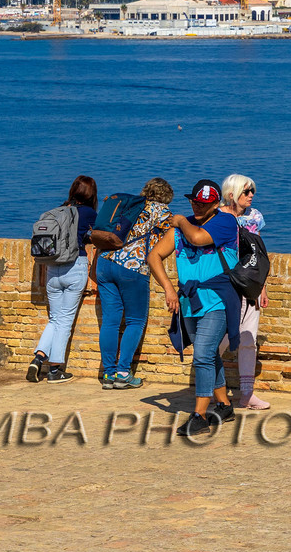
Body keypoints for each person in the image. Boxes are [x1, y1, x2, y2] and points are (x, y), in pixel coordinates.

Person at [150, 180, 239, 437]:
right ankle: (224, 405)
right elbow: (154, 256)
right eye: (195, 202)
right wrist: (168, 288)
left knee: (202, 354)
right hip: (189, 302)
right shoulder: (182, 227)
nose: (198, 207)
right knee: (209, 354)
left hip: (218, 300)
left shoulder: (224, 221)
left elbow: (198, 238)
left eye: (204, 203)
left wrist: (179, 221)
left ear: (215, 204)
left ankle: (199, 416)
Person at [95, 178, 175, 390]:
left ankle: (109, 374)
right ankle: (123, 373)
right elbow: (177, 236)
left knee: (110, 321)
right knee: (135, 320)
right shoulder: (164, 213)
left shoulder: (129, 204)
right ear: (167, 196)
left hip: (104, 262)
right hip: (133, 266)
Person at [26, 176, 98, 384]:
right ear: (92, 194)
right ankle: (55, 370)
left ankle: (38, 358)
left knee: (55, 319)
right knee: (64, 321)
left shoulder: (59, 210)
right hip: (74, 268)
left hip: (52, 269)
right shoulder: (89, 213)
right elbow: (96, 234)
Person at [218, 174, 271, 410]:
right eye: (246, 191)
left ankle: (247, 394)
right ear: (232, 194)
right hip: (226, 283)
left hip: (249, 285)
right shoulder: (217, 217)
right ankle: (211, 387)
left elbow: (258, 255)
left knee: (249, 337)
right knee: (222, 338)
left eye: (252, 192)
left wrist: (263, 287)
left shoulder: (254, 217)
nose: (251, 195)